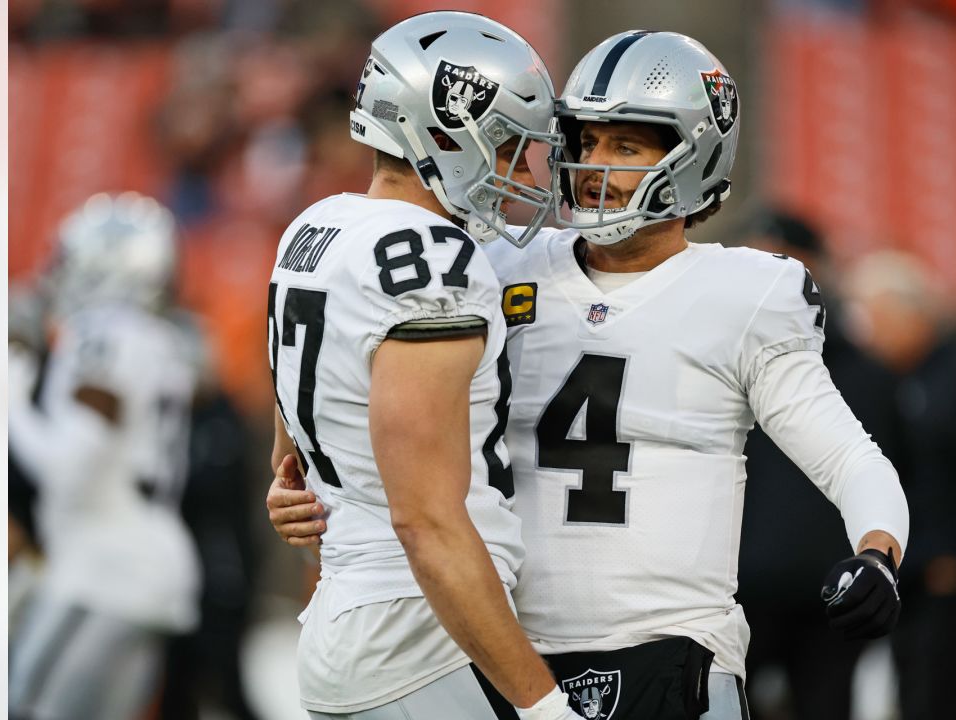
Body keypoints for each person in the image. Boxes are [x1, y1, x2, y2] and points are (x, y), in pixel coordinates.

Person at [271, 30, 911, 720]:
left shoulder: (746, 295)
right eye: (584, 142)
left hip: (669, 648)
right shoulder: (493, 263)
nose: (593, 165)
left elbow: (851, 459)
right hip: (508, 653)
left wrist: (876, 552)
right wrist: (306, 484)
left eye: (626, 147)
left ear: (693, 157)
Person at [265, 11, 582, 720]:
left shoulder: (315, 227)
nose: (520, 173)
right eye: (506, 147)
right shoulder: (432, 259)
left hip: (350, 618)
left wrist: (296, 482)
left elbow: (293, 438)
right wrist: (543, 706)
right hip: (421, 633)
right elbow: (427, 522)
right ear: (444, 137)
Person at [8, 192, 203, 720]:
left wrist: (10, 403)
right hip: (143, 567)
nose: (59, 273)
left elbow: (67, 469)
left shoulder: (104, 337)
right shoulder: (157, 342)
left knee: (28, 709)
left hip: (104, 569)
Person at [732, 211, 904, 719]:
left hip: (831, 587)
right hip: (739, 586)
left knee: (826, 706)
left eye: (782, 261)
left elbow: (888, 470)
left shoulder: (870, 373)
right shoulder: (717, 359)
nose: (768, 276)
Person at [843, 251, 956, 720]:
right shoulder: (881, 382)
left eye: (877, 318)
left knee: (949, 690)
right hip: (908, 569)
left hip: (955, 574)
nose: (869, 333)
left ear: (910, 313)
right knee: (910, 687)